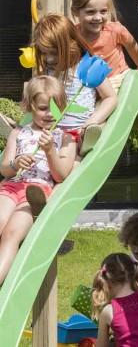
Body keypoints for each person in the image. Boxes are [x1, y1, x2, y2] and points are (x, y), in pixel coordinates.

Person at [0, 75, 76, 284]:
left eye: (55, 107)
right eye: (43, 108)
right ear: (30, 107)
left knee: (11, 235)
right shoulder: (18, 133)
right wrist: (16, 163)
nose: (50, 114)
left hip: (36, 196)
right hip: (11, 188)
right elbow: (5, 168)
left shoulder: (65, 138)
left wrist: (50, 149)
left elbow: (61, 175)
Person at [33, 14, 118, 157]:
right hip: (51, 133)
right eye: (44, 53)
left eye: (54, 53)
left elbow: (111, 98)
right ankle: (19, 133)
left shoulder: (88, 66)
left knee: (93, 129)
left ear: (71, 44)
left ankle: (86, 143)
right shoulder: (46, 70)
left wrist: (93, 120)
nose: (49, 58)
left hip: (77, 132)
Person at [71, 0, 138, 92]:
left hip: (117, 79)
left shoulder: (114, 30)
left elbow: (131, 45)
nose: (98, 17)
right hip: (90, 83)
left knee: (104, 103)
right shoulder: (73, 35)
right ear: (75, 11)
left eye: (103, 11)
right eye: (91, 12)